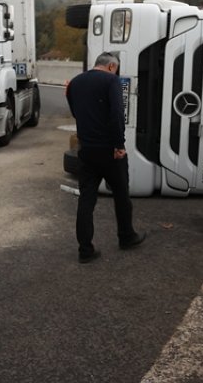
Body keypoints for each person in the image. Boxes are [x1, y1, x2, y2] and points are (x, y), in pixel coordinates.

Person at [66, 51, 145, 263]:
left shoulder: (74, 83)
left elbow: (75, 112)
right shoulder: (111, 80)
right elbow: (117, 114)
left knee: (86, 199)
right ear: (111, 66)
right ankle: (126, 236)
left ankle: (85, 250)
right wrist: (119, 145)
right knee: (121, 195)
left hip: (87, 150)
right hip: (110, 151)